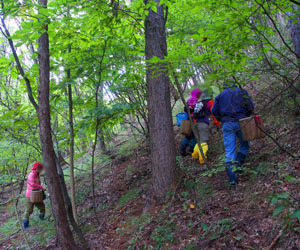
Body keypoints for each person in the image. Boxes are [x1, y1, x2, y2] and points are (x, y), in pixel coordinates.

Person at [212, 83, 254, 185]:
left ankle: (232, 179)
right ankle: (238, 167)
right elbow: (251, 106)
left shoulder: (220, 96)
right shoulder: (242, 92)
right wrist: (245, 116)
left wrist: (221, 119)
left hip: (227, 123)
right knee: (245, 146)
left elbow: (214, 110)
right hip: (242, 121)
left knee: (229, 151)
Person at [23, 162, 46, 229]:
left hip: (37, 194)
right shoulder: (31, 175)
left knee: (42, 207)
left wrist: (41, 189)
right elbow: (32, 185)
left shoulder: (37, 175)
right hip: (30, 195)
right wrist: (41, 187)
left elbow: (37, 184)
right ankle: (26, 226)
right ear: (37, 168)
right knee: (29, 210)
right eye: (40, 169)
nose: (41, 170)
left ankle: (42, 220)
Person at [179, 88, 202, 156]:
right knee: (195, 136)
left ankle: (182, 149)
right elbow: (197, 110)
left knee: (188, 136)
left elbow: (185, 109)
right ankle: (191, 149)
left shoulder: (189, 99)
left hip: (188, 120)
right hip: (194, 120)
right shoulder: (196, 100)